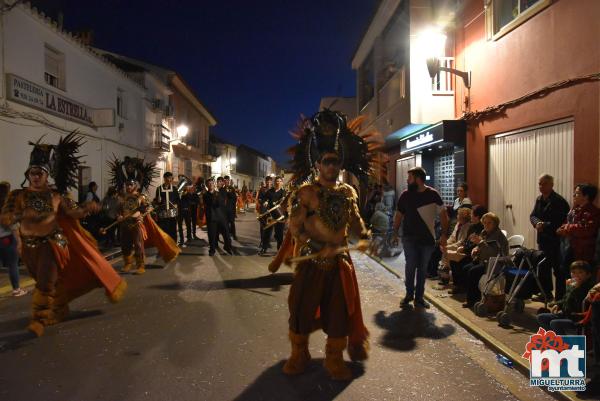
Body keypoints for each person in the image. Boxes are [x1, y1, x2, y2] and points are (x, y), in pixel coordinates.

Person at [0, 132, 126, 336]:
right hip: (29, 248)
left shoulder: (56, 196)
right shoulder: (18, 195)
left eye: (40, 172)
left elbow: (73, 212)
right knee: (53, 282)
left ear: (46, 175)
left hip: (52, 246)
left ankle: (38, 320)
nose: (36, 176)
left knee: (44, 283)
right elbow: (6, 217)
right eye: (33, 172)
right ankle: (59, 308)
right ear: (28, 174)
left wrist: (88, 207)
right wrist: (16, 216)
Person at [281, 109, 374, 380]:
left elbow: (356, 221)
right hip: (311, 262)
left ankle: (334, 360)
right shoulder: (305, 193)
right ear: (317, 165)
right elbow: (295, 227)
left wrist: (365, 237)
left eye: (335, 162)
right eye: (326, 162)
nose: (331, 166)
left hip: (339, 265)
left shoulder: (348, 193)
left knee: (339, 313)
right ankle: (299, 354)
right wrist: (311, 244)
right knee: (301, 309)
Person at [393, 167, 449, 309]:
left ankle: (419, 298)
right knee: (411, 266)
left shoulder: (433, 194)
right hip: (409, 238)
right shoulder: (405, 195)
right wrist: (394, 232)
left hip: (427, 239)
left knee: (423, 269)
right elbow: (399, 215)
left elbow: (443, 215)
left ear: (418, 179)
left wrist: (443, 234)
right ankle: (409, 295)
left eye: (410, 177)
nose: (407, 180)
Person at [529, 174, 570, 301]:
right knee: (543, 267)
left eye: (544, 184)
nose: (541, 186)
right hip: (543, 240)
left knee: (558, 271)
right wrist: (536, 223)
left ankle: (559, 299)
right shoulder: (539, 199)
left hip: (556, 241)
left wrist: (544, 225)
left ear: (551, 185)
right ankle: (546, 294)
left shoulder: (559, 201)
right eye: (540, 184)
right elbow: (533, 215)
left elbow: (561, 221)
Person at [557, 183, 600, 292]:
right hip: (571, 248)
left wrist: (568, 228)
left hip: (584, 253)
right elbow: (566, 224)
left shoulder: (593, 212)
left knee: (583, 281)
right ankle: (566, 302)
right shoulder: (574, 210)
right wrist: (563, 229)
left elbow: (586, 229)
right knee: (567, 275)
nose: (574, 195)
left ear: (586, 196)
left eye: (577, 193)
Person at [462, 212, 508, 308]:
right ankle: (473, 297)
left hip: (494, 264)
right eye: (484, 222)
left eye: (489, 223)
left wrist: (481, 243)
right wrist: (475, 250)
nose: (486, 225)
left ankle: (473, 301)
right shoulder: (485, 233)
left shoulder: (498, 236)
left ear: (495, 224)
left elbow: (494, 253)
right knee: (466, 268)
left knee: (473, 271)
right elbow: (481, 248)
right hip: (483, 261)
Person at [537, 260, 595, 335]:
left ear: (588, 275)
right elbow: (566, 299)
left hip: (577, 317)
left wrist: (576, 289)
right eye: (573, 272)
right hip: (566, 314)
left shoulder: (588, 288)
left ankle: (565, 343)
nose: (576, 275)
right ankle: (555, 338)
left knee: (555, 323)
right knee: (541, 317)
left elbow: (579, 303)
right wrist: (557, 304)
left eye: (580, 272)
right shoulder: (572, 285)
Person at [448, 204, 487, 294]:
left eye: (472, 214)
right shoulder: (472, 226)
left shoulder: (482, 228)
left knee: (462, 263)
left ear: (477, 216)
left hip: (475, 254)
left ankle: (463, 286)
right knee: (453, 260)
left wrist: (464, 249)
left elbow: (475, 245)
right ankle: (458, 285)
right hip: (467, 250)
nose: (470, 216)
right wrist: (463, 247)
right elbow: (467, 241)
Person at [0, 181, 26, 297]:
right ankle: (16, 289)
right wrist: (19, 241)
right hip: (7, 238)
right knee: (12, 264)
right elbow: (13, 225)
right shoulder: (7, 206)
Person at [439, 207, 472, 285]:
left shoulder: (468, 226)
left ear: (463, 217)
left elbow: (462, 242)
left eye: (459, 215)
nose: (457, 216)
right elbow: (453, 237)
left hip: (462, 248)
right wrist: (446, 244)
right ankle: (445, 273)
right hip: (455, 245)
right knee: (444, 250)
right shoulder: (458, 224)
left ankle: (446, 275)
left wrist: (448, 247)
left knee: (446, 253)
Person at [203, 178, 232, 256]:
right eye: (209, 184)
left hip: (221, 216)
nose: (211, 185)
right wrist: (214, 196)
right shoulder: (205, 195)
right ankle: (212, 250)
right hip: (212, 217)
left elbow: (221, 203)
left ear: (214, 184)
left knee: (226, 233)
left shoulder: (218, 193)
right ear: (207, 185)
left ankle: (227, 247)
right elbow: (211, 203)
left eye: (212, 183)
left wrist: (217, 195)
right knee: (212, 235)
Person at [261, 176, 286, 252]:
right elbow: (265, 199)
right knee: (267, 233)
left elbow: (285, 204)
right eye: (276, 181)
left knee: (279, 234)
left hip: (280, 215)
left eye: (279, 181)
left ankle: (279, 249)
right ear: (274, 182)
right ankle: (264, 248)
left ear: (282, 183)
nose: (278, 183)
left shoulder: (283, 192)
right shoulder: (270, 191)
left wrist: (283, 201)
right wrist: (265, 202)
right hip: (270, 215)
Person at [154, 172, 180, 243]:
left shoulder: (174, 189)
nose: (169, 180)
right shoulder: (159, 189)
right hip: (163, 214)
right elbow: (156, 202)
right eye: (167, 178)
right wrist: (158, 200)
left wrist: (176, 205)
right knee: (163, 231)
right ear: (164, 179)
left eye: (170, 178)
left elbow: (178, 200)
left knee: (172, 230)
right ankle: (164, 248)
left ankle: (173, 246)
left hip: (172, 214)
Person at [257, 176, 273, 253]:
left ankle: (267, 242)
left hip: (271, 211)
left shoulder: (273, 190)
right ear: (265, 182)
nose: (268, 183)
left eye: (270, 181)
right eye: (267, 181)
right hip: (263, 210)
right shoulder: (262, 189)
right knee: (262, 227)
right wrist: (262, 201)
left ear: (271, 182)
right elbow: (259, 198)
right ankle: (262, 241)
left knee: (269, 227)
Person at [223, 175, 238, 240]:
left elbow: (235, 198)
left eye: (227, 180)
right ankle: (227, 235)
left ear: (229, 181)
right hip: (224, 209)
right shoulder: (222, 189)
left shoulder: (232, 189)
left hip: (231, 209)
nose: (226, 182)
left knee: (232, 223)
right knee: (225, 223)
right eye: (225, 180)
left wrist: (229, 193)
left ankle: (234, 235)